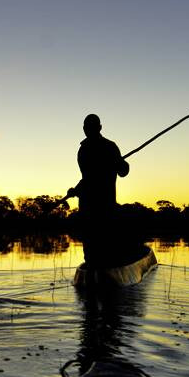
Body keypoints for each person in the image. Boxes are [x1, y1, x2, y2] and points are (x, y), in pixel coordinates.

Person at [68, 113, 129, 266]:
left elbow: (123, 171)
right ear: (84, 129)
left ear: (99, 128)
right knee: (90, 248)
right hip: (89, 207)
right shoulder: (84, 150)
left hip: (105, 206)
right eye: (87, 127)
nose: (88, 130)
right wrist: (75, 190)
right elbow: (88, 178)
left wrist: (120, 163)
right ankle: (94, 270)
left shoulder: (109, 147)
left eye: (92, 127)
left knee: (104, 244)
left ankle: (101, 269)